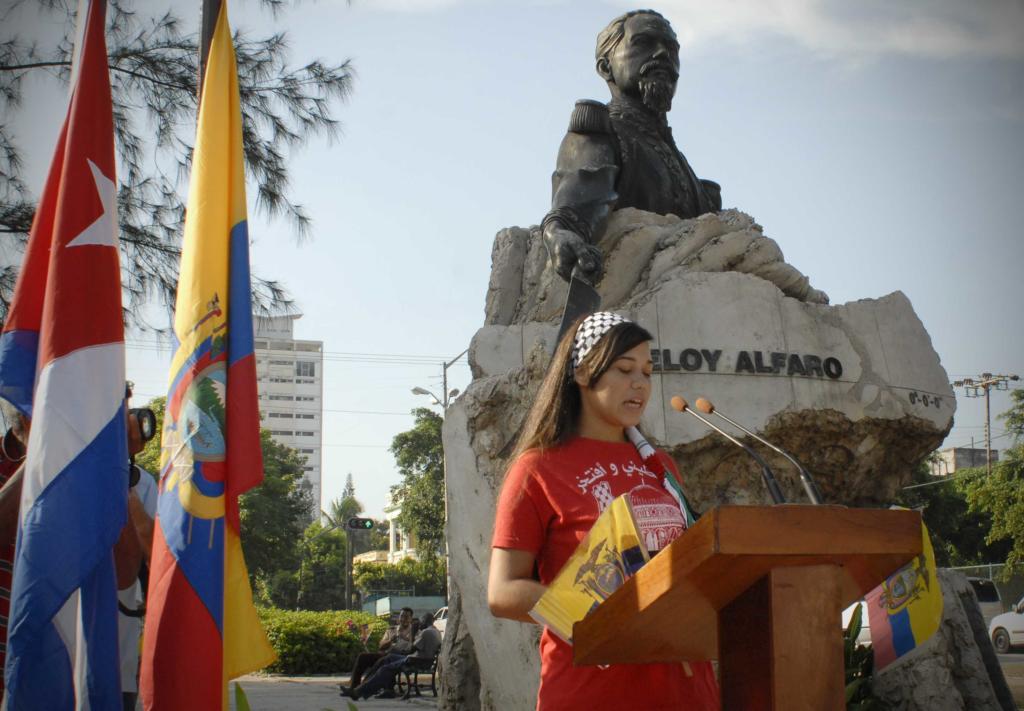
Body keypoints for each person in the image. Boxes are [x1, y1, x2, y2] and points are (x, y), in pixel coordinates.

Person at [488, 312, 719, 711]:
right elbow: (503, 592)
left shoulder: (661, 466)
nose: (640, 384)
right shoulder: (537, 468)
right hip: (591, 693)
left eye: (647, 372)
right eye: (624, 369)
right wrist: (604, 620)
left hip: (687, 693)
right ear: (582, 373)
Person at [543, 10, 722, 283]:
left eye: (672, 49)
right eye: (643, 43)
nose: (663, 54)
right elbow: (578, 204)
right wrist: (560, 231)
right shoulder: (600, 132)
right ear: (606, 67)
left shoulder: (682, 164)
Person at [349, 611, 442, 701]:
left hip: (416, 660)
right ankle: (361, 687)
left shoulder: (426, 632)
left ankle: (360, 691)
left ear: (425, 621)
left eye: (421, 622)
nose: (419, 624)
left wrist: (412, 634)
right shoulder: (436, 631)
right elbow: (381, 646)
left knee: (384, 669)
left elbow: (410, 650)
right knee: (388, 658)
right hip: (420, 659)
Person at [339, 607, 415, 697]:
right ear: (399, 618)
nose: (403, 619)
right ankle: (354, 687)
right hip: (386, 653)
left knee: (383, 660)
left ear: (411, 619)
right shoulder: (392, 629)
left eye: (406, 617)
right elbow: (381, 646)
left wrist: (404, 637)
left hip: (400, 656)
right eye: (401, 616)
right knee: (363, 657)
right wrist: (390, 640)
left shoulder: (413, 631)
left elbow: (414, 647)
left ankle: (362, 688)